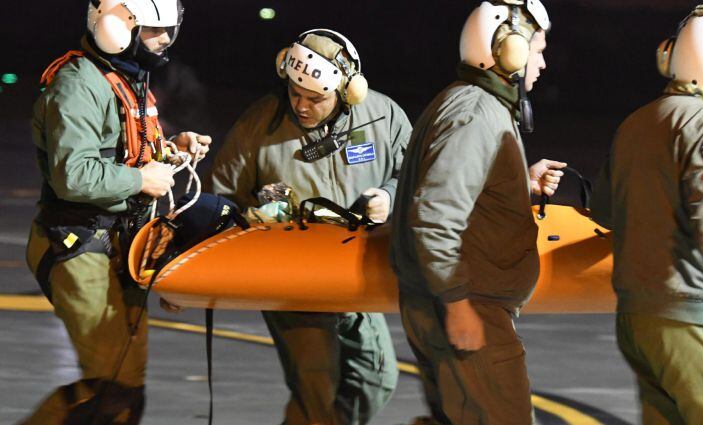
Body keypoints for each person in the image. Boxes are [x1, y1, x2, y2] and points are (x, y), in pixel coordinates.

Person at [207, 29, 410, 424]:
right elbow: (222, 198)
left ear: (348, 92)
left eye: (314, 98)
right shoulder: (259, 124)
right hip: (291, 279)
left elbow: (418, 177)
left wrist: (390, 196)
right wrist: (256, 214)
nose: (300, 105)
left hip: (356, 277)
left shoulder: (384, 117)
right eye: (294, 93)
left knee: (377, 378)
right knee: (316, 387)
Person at [22, 1, 212, 423]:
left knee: (126, 388)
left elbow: (126, 148)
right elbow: (74, 174)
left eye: (169, 29)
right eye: (154, 29)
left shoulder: (123, 77)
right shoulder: (78, 84)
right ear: (118, 25)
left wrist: (172, 147)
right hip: (80, 243)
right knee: (112, 389)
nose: (165, 39)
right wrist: (141, 182)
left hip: (120, 245)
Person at [591, 2, 703, 423]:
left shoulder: (636, 123)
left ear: (669, 54)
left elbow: (603, 209)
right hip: (693, 318)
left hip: (637, 321)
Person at [389, 1, 566, 423]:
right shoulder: (476, 112)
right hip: (470, 307)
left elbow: (456, 190)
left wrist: (519, 184)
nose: (541, 62)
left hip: (459, 303)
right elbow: (434, 215)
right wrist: (458, 303)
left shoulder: (468, 103)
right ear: (510, 49)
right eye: (537, 50)